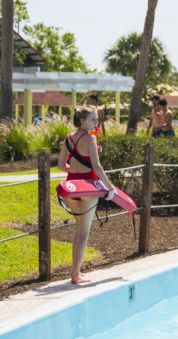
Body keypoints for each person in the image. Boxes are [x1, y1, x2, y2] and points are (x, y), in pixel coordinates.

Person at [57, 105, 116, 284]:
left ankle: (77, 272)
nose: (96, 122)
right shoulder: (90, 139)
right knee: (84, 232)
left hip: (72, 186)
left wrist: (74, 171)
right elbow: (97, 167)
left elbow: (61, 165)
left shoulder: (68, 138)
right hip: (88, 186)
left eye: (96, 119)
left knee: (79, 231)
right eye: (93, 119)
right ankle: (75, 275)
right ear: (82, 121)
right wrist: (110, 188)